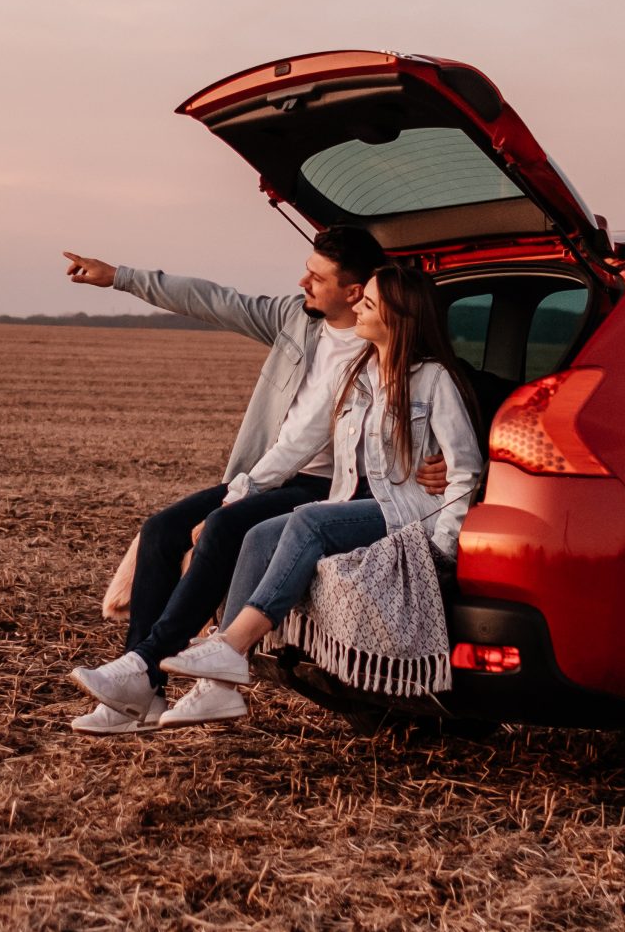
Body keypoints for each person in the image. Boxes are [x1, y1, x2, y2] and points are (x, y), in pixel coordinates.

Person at [60, 228, 446, 733]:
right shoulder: (296, 317)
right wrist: (120, 278)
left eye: (318, 276)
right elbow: (215, 300)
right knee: (160, 530)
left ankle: (150, 667)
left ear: (356, 293)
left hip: (326, 486)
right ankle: (141, 692)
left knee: (223, 529)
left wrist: (439, 460)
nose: (302, 280)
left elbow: (444, 401)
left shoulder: (381, 352)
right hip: (273, 471)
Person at [151, 261, 487, 726]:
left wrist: (443, 549)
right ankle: (218, 689)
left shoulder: (433, 380)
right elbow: (296, 445)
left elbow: (464, 470)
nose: (358, 307)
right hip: (357, 502)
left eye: (368, 303)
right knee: (260, 534)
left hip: (413, 514)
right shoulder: (356, 373)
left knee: (308, 521)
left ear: (397, 317)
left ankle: (231, 646)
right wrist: (238, 494)